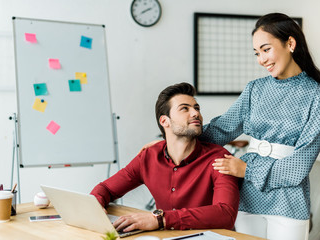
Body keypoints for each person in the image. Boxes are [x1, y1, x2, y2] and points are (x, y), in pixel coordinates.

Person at [199, 13, 320, 240]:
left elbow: (300, 163)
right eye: (257, 53)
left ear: (290, 43)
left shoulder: (319, 96)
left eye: (266, 49)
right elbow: (221, 129)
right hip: (247, 195)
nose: (261, 59)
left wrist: (247, 170)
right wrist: (174, 142)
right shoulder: (254, 89)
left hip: (289, 199)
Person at [91, 82, 239, 233]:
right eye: (184, 109)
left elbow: (225, 214)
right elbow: (107, 188)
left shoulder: (219, 158)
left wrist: (161, 219)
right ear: (164, 121)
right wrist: (95, 204)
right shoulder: (149, 156)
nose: (196, 113)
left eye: (196, 108)